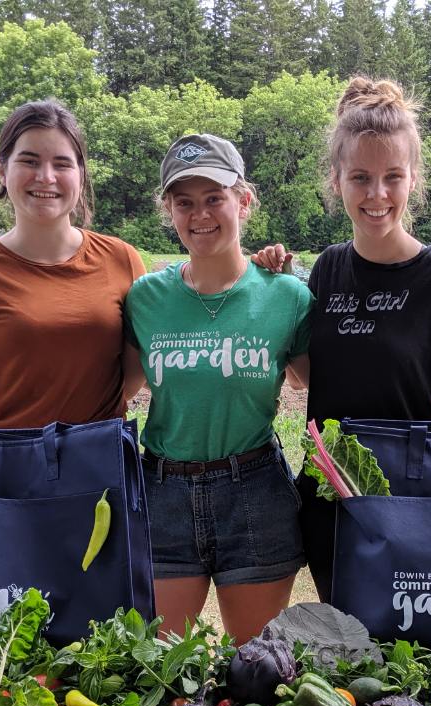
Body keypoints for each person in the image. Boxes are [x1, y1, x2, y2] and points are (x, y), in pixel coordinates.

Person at [259, 76, 431, 602]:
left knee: (412, 639)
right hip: (330, 498)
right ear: (336, 180)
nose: (377, 194)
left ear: (413, 179)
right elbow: (307, 379)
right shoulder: (328, 268)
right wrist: (275, 293)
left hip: (412, 501)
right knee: (348, 641)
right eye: (360, 177)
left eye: (393, 177)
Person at [124, 134, 313, 644]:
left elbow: (315, 384)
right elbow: (110, 391)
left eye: (214, 198)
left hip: (254, 492)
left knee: (256, 667)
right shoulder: (145, 298)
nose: (200, 214)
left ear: (243, 201)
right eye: (184, 202)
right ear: (169, 211)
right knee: (161, 667)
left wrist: (418, 400)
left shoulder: (287, 295)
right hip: (163, 492)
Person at [0, 99, 146, 428]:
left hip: (98, 456)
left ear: (81, 174)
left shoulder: (121, 260)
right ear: (2, 169)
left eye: (62, 164)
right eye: (29, 161)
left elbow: (131, 375)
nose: (46, 177)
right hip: (0, 457)